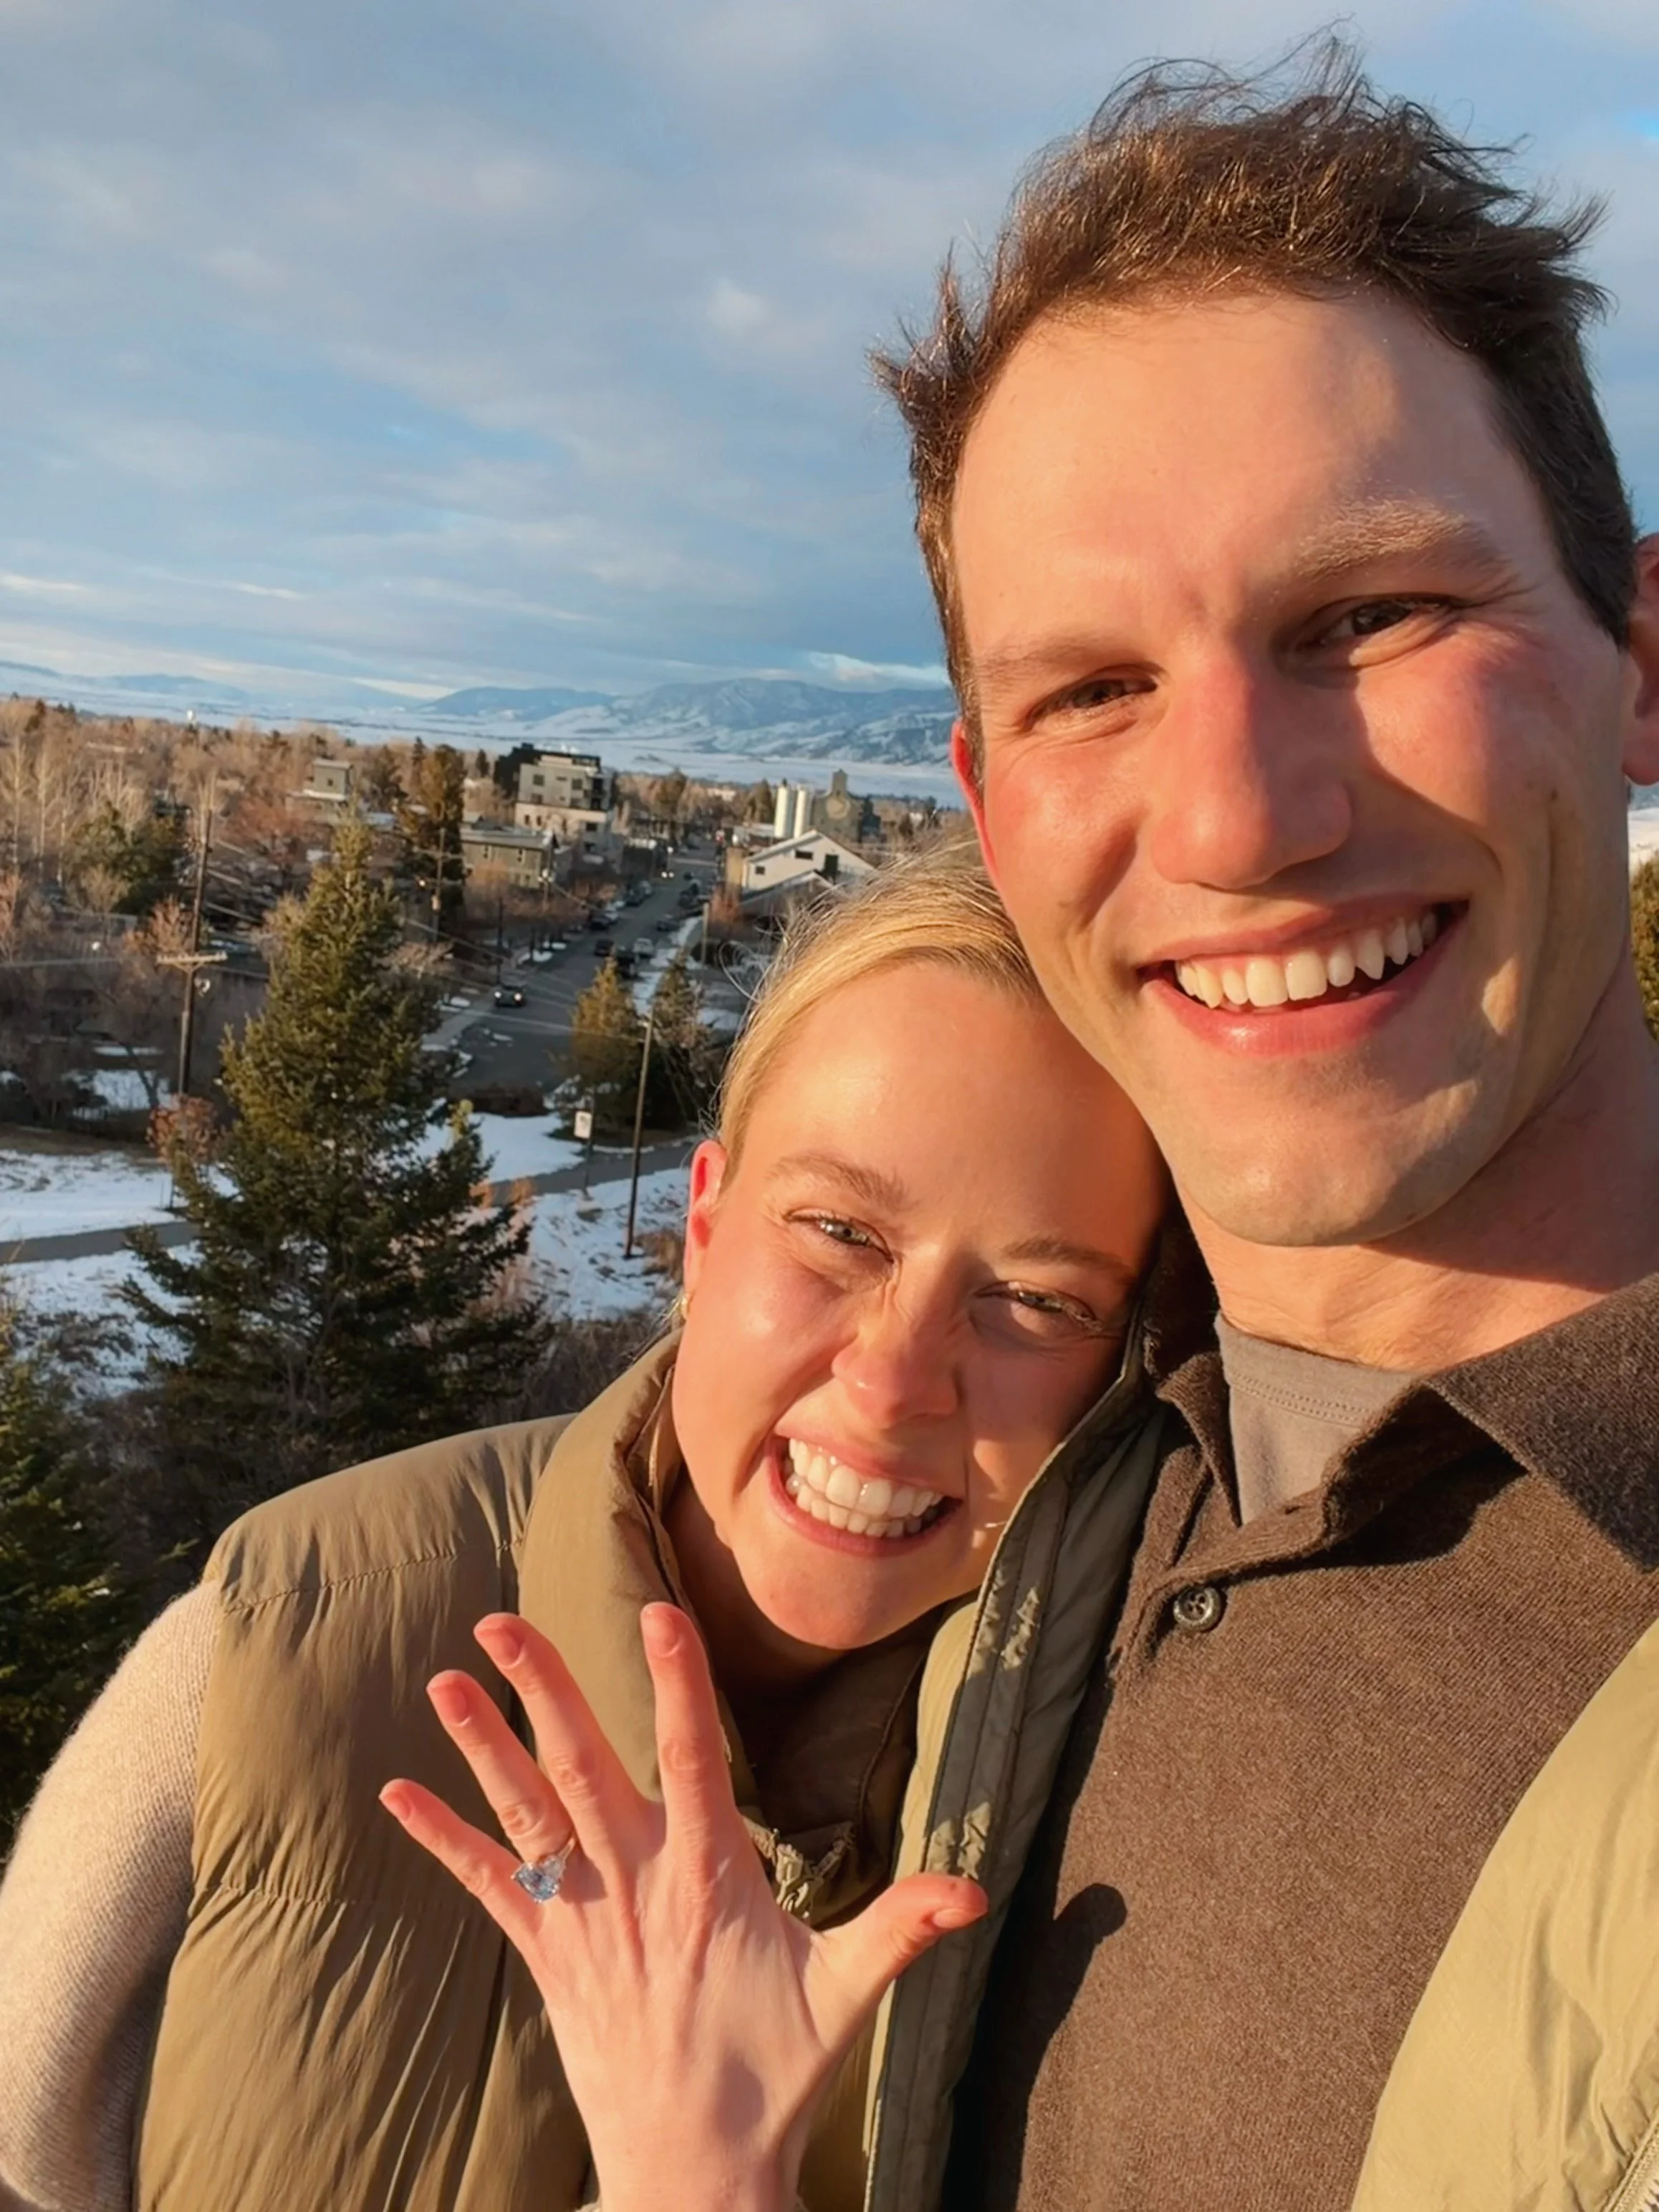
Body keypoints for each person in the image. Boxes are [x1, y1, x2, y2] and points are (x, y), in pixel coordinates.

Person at [867, 44, 1659, 2212]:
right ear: (986, 804)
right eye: (1091, 688)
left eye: (1370, 616)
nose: (1232, 816)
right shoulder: (1047, 1488)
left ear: (1641, 658)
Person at [0, 845, 1167, 2212]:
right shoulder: (275, 1651)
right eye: (839, 1231)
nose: (896, 1383)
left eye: (1037, 1301)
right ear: (707, 1222)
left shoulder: (1141, 1807)